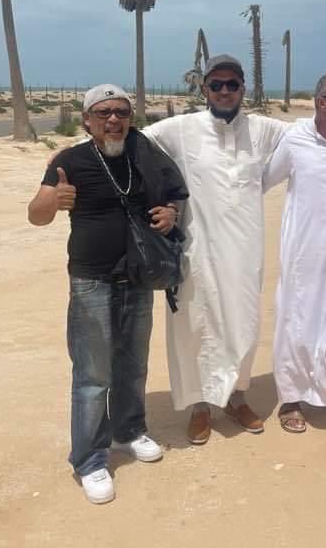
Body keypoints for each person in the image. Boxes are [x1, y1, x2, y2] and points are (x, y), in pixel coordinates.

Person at [28, 84, 188, 504]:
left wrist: (171, 213)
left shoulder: (146, 155)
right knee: (92, 376)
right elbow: (36, 215)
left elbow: (175, 193)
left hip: (137, 276)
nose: (113, 120)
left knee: (133, 366)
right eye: (103, 113)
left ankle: (129, 430)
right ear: (87, 120)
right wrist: (54, 201)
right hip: (91, 279)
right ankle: (89, 460)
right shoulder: (69, 162)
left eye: (121, 112)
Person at [142, 55, 286, 445]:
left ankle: (237, 398)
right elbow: (132, 141)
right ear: (204, 89)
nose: (224, 91)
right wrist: (68, 158)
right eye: (216, 85)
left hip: (244, 252)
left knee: (244, 324)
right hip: (197, 251)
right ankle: (200, 407)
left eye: (232, 85)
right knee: (195, 326)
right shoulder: (181, 129)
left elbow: (312, 136)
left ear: (244, 88)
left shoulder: (263, 130)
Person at [262, 74, 326, 433]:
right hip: (303, 255)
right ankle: (291, 398)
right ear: (323, 103)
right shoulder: (296, 139)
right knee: (297, 324)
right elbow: (261, 181)